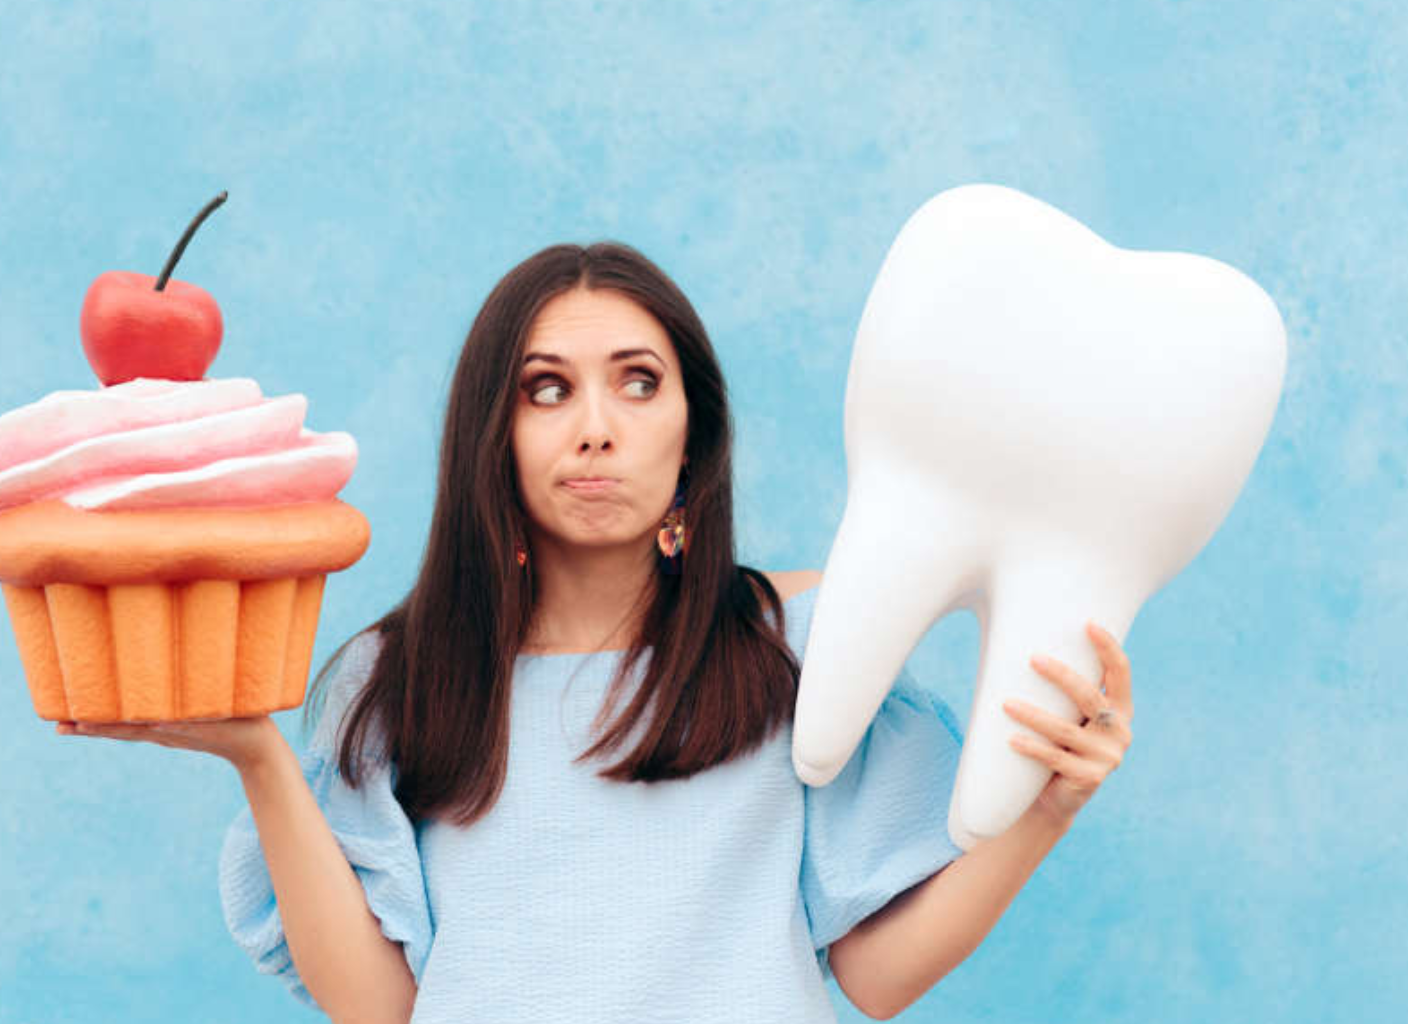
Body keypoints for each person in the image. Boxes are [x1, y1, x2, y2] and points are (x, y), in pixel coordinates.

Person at [58, 242, 1137, 1022]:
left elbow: (871, 977)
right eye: (545, 389)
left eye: (638, 382)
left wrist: (1045, 808)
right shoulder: (401, 679)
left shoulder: (802, 645)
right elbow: (379, 1007)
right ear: (495, 434)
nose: (596, 428)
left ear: (691, 432)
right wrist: (256, 756)